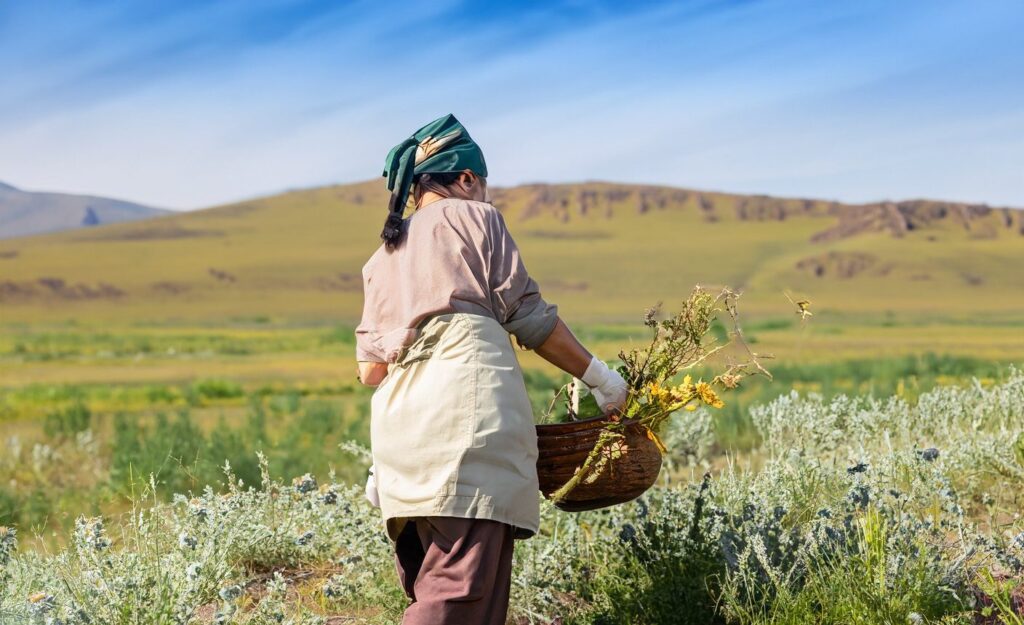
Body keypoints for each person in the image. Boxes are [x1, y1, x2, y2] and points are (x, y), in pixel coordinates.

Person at [355, 113, 628, 625]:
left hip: (399, 445)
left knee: (432, 590)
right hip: (466, 427)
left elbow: (373, 372)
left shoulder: (382, 255)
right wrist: (601, 379)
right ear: (465, 179)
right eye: (482, 184)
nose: (485, 194)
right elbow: (529, 317)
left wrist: (382, 462)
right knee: (459, 599)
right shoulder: (476, 219)